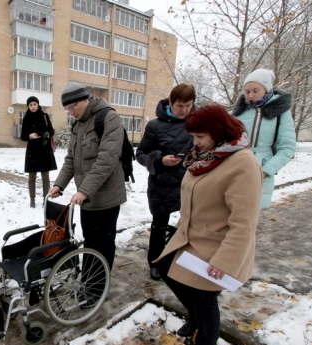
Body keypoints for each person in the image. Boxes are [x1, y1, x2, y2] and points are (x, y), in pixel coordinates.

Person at [154, 104, 263, 345]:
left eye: (200, 136)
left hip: (218, 244)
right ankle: (195, 317)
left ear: (217, 132)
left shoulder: (242, 163)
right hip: (191, 237)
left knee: (205, 297)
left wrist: (225, 261)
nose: (195, 142)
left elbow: (244, 222)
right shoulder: (204, 156)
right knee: (166, 269)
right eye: (193, 136)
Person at [48, 82, 127, 277]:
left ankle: (98, 286)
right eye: (67, 109)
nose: (70, 112)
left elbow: (106, 160)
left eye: (72, 107)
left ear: (85, 99)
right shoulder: (78, 125)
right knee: (90, 241)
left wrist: (84, 190)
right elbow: (71, 160)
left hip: (106, 198)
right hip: (87, 199)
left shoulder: (109, 118)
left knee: (103, 244)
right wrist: (59, 184)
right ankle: (89, 279)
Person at [136, 83, 196, 281]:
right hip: (162, 184)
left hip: (191, 183)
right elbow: (140, 154)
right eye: (180, 105)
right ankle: (156, 262)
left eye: (188, 105)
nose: (184, 110)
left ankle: (184, 260)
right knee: (159, 226)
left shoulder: (197, 122)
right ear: (171, 102)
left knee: (191, 225)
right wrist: (160, 160)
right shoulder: (155, 126)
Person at [231, 69, 296, 209]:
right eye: (247, 91)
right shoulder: (237, 112)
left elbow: (287, 148)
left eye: (255, 90)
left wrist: (265, 170)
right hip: (235, 167)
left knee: (248, 218)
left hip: (261, 170)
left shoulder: (280, 112)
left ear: (266, 89)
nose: (250, 95)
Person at [20, 96, 57, 208]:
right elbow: (22, 136)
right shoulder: (26, 118)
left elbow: (51, 130)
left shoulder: (44, 116)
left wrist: (48, 134)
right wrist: (29, 135)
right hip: (33, 151)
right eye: (30, 105)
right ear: (28, 106)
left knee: (45, 176)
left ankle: (46, 199)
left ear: (38, 104)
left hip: (44, 149)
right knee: (32, 176)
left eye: (34, 104)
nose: (33, 106)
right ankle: (32, 199)